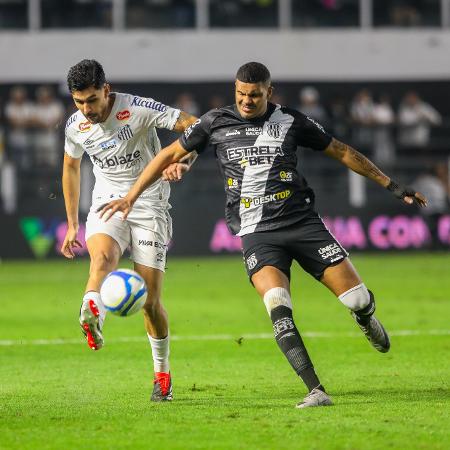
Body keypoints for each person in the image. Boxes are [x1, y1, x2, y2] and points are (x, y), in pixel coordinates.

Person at [99, 62, 427, 408]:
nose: (246, 101)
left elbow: (342, 151)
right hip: (257, 234)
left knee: (357, 299)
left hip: (303, 224)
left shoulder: (291, 121)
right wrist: (132, 195)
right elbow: (170, 153)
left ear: (269, 92)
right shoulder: (215, 121)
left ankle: (364, 317)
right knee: (278, 306)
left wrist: (392, 185)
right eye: (241, 94)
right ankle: (315, 389)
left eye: (254, 95)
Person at [60, 59, 198, 402]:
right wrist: (73, 222)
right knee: (102, 258)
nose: (86, 109)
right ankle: (91, 311)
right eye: (78, 101)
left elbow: (194, 127)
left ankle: (161, 375)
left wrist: (183, 160)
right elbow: (71, 168)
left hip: (150, 204)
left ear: (106, 90)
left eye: (91, 99)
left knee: (150, 302)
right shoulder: (76, 126)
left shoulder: (138, 109)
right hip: (108, 201)